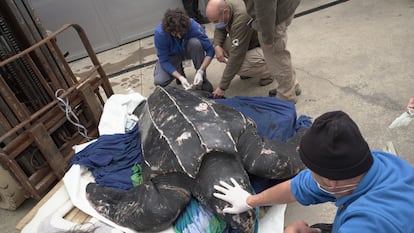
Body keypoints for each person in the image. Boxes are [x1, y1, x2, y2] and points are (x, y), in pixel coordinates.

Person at [213, 111, 414, 233]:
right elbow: (297, 187)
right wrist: (250, 200)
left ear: (331, 182)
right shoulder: (372, 163)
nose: (310, 175)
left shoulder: (366, 223)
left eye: (314, 171)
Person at [205, 0, 274, 99]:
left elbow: (236, 57)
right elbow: (220, 28)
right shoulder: (226, 7)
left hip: (266, 47)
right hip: (250, 41)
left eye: (215, 21)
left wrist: (222, 87)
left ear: (226, 12)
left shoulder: (242, 17)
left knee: (238, 65)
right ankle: (254, 70)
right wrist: (217, 46)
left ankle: (270, 72)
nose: (215, 24)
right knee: (222, 47)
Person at [244, 0, 302, 103]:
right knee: (280, 53)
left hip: (273, 18)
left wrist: (267, 37)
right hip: (283, 8)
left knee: (277, 57)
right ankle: (292, 86)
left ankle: (286, 96)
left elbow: (265, 7)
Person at [154, 8, 214, 92]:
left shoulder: (193, 26)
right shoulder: (160, 34)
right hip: (172, 56)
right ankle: (179, 71)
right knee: (159, 81)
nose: (179, 36)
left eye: (182, 33)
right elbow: (164, 60)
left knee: (195, 43)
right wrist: (180, 77)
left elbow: (210, 50)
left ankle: (202, 80)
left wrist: (201, 71)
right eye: (175, 34)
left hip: (187, 50)